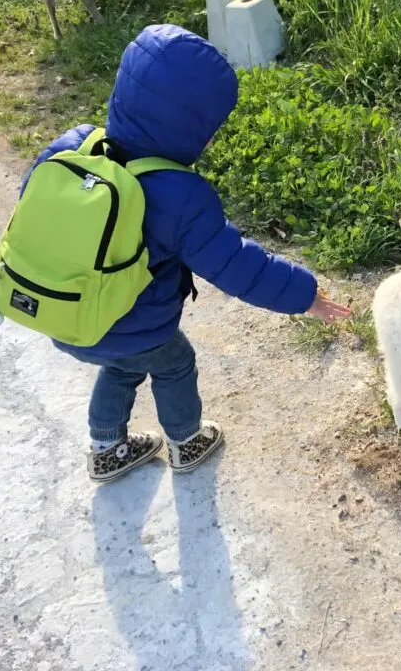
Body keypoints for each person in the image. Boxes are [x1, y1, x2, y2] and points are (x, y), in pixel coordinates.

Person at [22, 24, 351, 482]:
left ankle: (106, 447)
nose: (212, 139)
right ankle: (186, 440)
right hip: (136, 327)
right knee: (173, 363)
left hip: (65, 316)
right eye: (209, 129)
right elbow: (237, 266)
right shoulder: (179, 195)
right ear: (189, 129)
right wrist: (305, 294)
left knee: (119, 367)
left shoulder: (73, 145)